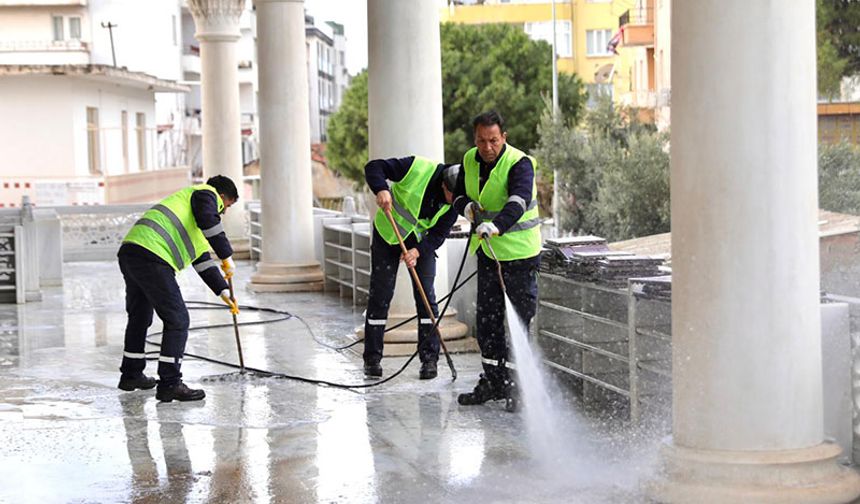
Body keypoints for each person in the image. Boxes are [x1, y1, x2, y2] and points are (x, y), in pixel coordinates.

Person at [116, 175, 240, 402]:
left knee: (140, 317)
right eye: (227, 206)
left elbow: (202, 260)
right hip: (153, 255)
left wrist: (224, 292)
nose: (224, 212)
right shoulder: (205, 194)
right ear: (222, 196)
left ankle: (131, 375)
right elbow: (208, 218)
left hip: (132, 251)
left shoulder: (190, 215)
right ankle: (170, 383)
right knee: (177, 320)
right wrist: (226, 254)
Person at [453, 111, 542, 411]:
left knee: (518, 322)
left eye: (493, 140)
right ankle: (493, 381)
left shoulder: (520, 163)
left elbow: (517, 201)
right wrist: (465, 208)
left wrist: (497, 225)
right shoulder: (469, 160)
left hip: (520, 255)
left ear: (504, 137)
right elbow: (458, 195)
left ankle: (517, 388)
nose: (487, 147)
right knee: (488, 322)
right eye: (481, 141)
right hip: (489, 255)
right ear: (474, 139)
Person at [363, 156, 460, 380]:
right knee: (381, 295)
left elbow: (439, 233)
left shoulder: (455, 202)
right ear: (444, 185)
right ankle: (372, 359)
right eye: (451, 196)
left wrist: (417, 252)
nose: (454, 202)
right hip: (388, 234)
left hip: (420, 244)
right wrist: (381, 189)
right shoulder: (415, 168)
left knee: (426, 297)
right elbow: (374, 167)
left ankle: (429, 360)